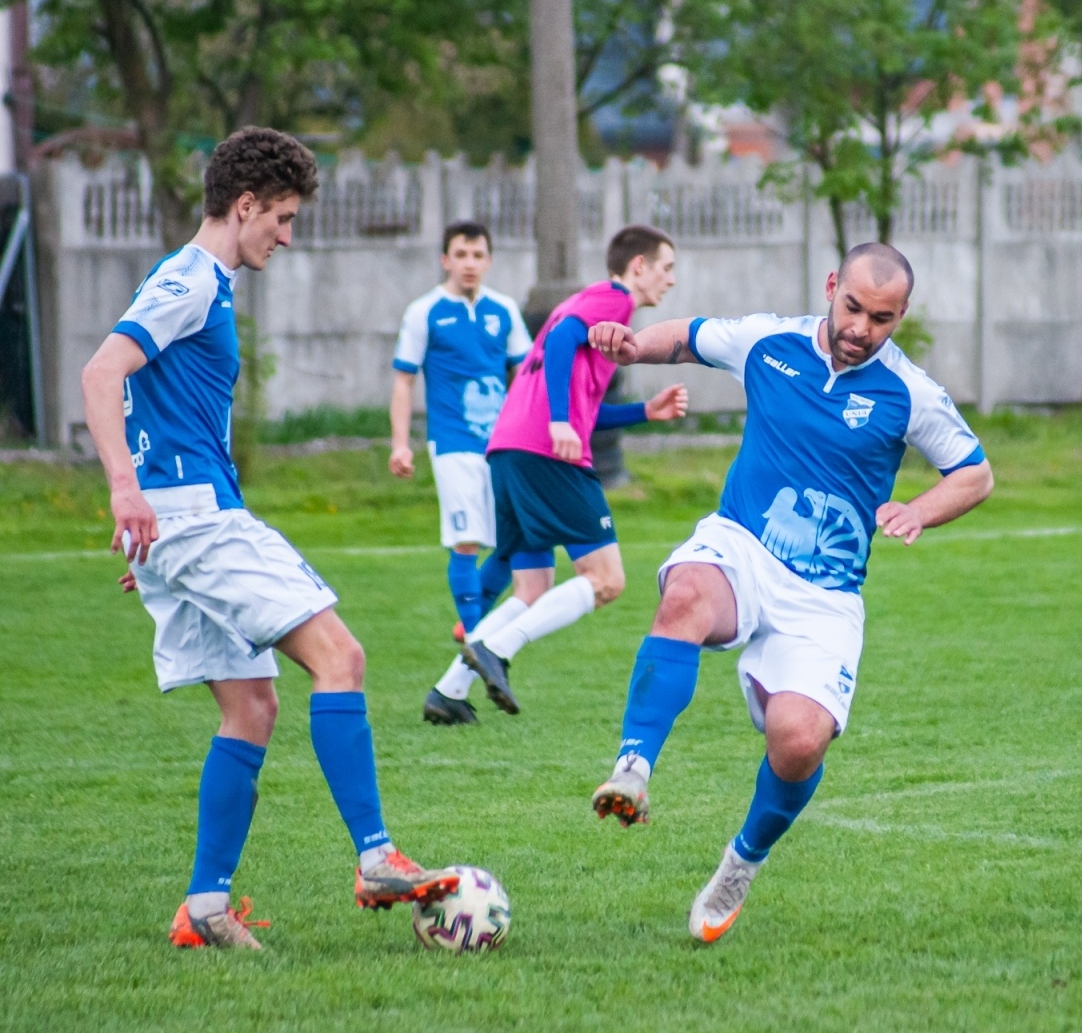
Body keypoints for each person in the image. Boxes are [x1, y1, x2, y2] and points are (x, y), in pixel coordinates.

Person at [78, 127, 460, 951]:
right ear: (243, 205)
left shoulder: (196, 283)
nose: (285, 236)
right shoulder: (192, 280)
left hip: (179, 527)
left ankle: (205, 910)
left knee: (252, 707)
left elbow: (153, 399)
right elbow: (100, 373)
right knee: (341, 658)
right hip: (196, 520)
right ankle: (374, 857)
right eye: (280, 218)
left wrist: (158, 537)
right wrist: (128, 494)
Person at [585, 242, 994, 943]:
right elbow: (685, 338)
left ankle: (742, 861)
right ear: (832, 287)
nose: (862, 327)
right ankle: (632, 767)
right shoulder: (769, 341)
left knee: (799, 741)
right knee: (685, 596)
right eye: (854, 307)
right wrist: (632, 347)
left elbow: (975, 473)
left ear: (900, 318)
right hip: (742, 544)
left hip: (826, 595)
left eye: (883, 318)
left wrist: (918, 510)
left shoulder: (909, 392)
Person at [427, 224, 689, 724]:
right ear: (638, 267)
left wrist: (643, 412)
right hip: (544, 450)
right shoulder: (614, 301)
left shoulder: (590, 302)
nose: (670, 280)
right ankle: (497, 651)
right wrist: (559, 421)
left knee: (532, 587)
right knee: (607, 579)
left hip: (509, 448)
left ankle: (448, 692)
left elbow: (583, 403)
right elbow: (566, 339)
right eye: (666, 268)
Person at [389, 221, 532, 671]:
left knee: (519, 540)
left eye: (478, 255)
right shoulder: (424, 312)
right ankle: (476, 641)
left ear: (489, 260)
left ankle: (475, 626)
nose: (470, 263)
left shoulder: (504, 310)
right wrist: (400, 444)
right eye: (461, 255)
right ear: (445, 259)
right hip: (452, 443)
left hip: (503, 446)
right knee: (467, 540)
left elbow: (526, 378)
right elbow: (404, 380)